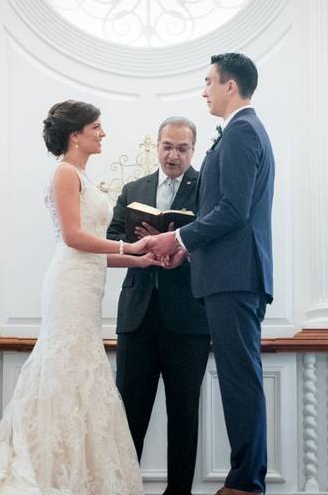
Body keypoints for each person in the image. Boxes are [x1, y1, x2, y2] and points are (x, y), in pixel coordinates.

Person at [0, 100, 157, 495]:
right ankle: (50, 471)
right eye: (96, 127)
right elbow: (74, 238)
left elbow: (91, 250)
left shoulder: (81, 175)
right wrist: (131, 247)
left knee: (82, 371)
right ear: (75, 135)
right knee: (66, 368)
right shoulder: (64, 173)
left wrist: (140, 261)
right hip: (69, 286)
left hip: (86, 283)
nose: (103, 133)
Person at [148, 53, 275, 495]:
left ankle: (245, 482)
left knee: (240, 379)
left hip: (235, 277)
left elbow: (232, 211)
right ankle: (247, 477)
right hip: (227, 275)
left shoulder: (241, 133)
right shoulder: (241, 132)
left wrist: (178, 240)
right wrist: (187, 252)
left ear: (230, 87)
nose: (204, 91)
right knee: (241, 377)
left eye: (208, 82)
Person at [107, 116, 209, 495]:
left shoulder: (208, 189)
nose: (173, 155)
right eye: (167, 146)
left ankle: (179, 492)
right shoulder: (134, 188)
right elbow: (112, 238)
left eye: (182, 148)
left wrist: (177, 242)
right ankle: (125, 488)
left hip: (189, 321)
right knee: (128, 415)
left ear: (193, 150)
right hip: (137, 318)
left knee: (184, 415)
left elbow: (215, 241)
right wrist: (144, 247)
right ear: (157, 145)